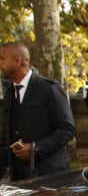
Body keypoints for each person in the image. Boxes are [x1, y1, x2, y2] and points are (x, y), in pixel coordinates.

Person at [0, 41, 75, 181]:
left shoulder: (49, 89)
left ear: (17, 61)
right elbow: (6, 139)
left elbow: (67, 129)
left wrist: (36, 148)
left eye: (2, 59)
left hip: (50, 176)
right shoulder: (10, 93)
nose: (0, 63)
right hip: (20, 180)